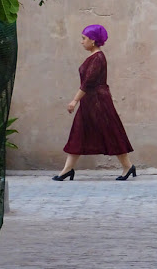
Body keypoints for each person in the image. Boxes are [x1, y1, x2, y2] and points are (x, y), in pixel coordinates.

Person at [52, 24, 136, 181]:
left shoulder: (98, 58)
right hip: (89, 102)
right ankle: (67, 169)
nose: (81, 41)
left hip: (99, 102)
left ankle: (127, 166)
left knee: (111, 133)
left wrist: (74, 101)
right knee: (78, 133)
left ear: (93, 40)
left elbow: (88, 82)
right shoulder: (93, 57)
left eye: (84, 38)